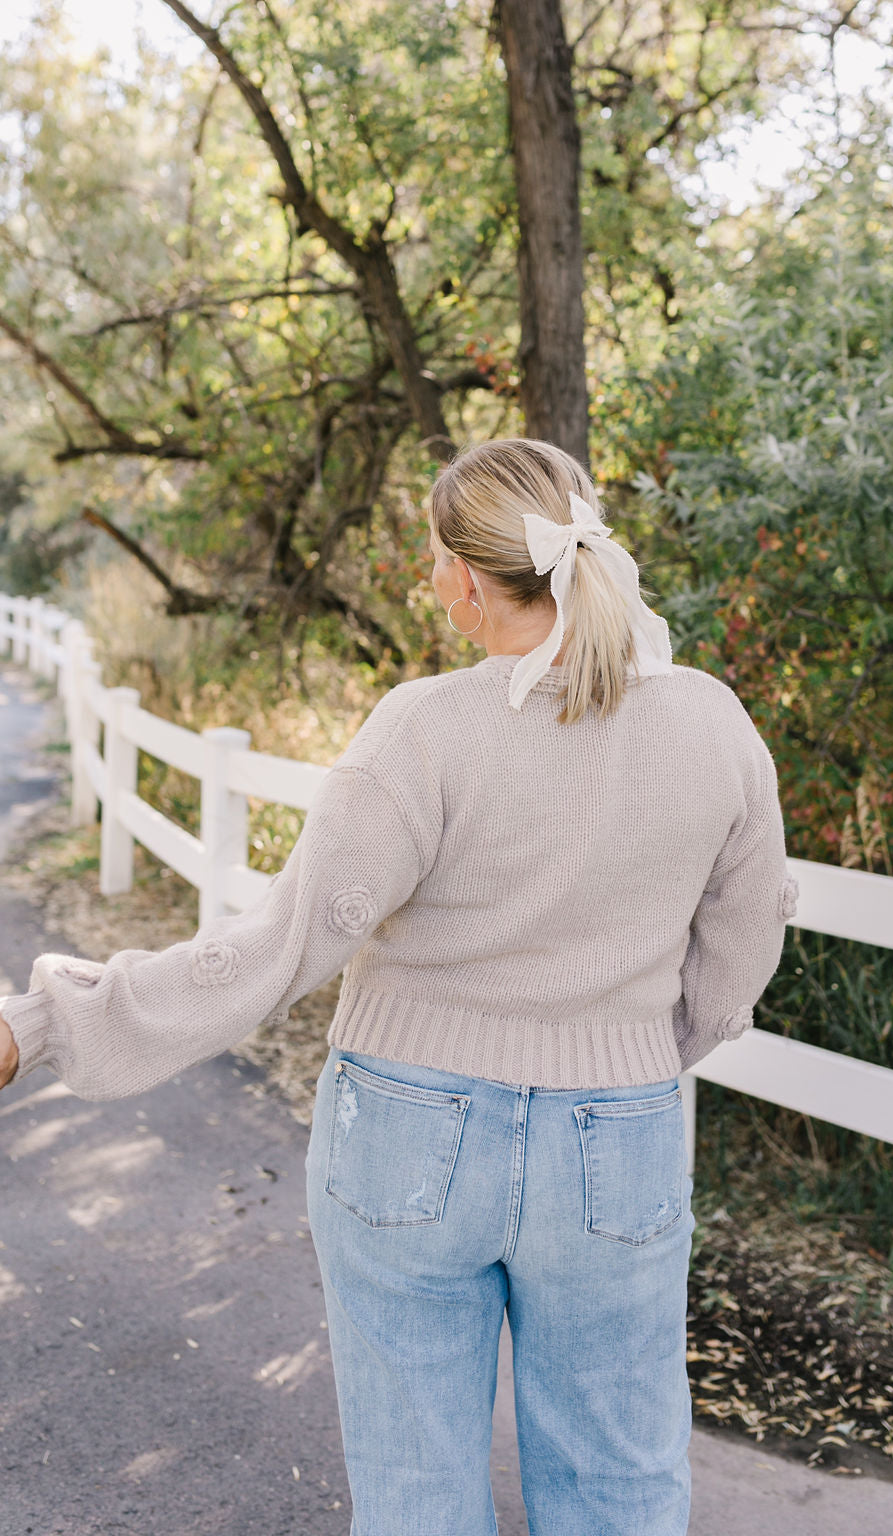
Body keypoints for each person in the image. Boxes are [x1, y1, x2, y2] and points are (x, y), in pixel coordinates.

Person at [0, 436, 797, 1535]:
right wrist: (636, 1059)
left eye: (432, 557)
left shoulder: (424, 731)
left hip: (409, 1135)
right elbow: (744, 944)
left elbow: (278, 947)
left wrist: (42, 1021)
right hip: (621, 1137)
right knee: (619, 1483)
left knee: (418, 1489)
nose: (431, 580)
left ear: (469, 581)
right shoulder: (713, 721)